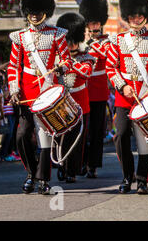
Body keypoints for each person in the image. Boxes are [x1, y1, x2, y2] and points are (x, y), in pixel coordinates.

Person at [7, 0, 73, 195]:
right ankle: (31, 172)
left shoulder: (57, 35)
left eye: (37, 10)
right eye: (31, 11)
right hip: (26, 92)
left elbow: (67, 60)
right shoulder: (20, 37)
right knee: (22, 136)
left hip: (47, 92)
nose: (34, 15)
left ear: (45, 10)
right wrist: (14, 89)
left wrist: (61, 66)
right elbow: (14, 66)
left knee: (45, 138)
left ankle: (43, 179)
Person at [106, 0, 148, 194]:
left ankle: (142, 179)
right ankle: (126, 176)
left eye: (140, 15)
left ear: (145, 15)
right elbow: (111, 68)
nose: (136, 19)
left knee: (144, 139)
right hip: (125, 96)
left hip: (147, 93)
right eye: (132, 15)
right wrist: (122, 87)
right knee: (120, 135)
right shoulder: (118, 40)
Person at [55, 13, 95, 183]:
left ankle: (72, 170)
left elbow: (86, 73)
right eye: (68, 41)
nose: (70, 44)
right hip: (61, 103)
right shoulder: (57, 58)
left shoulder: (87, 57)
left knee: (77, 140)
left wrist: (70, 63)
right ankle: (61, 165)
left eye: (73, 40)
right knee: (60, 137)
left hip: (80, 103)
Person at [79, 0, 110, 178]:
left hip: (99, 91)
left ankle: (93, 165)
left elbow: (104, 56)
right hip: (83, 90)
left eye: (97, 23)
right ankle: (80, 162)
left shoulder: (106, 42)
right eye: (92, 23)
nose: (95, 26)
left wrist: (92, 45)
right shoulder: (81, 41)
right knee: (82, 129)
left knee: (97, 131)